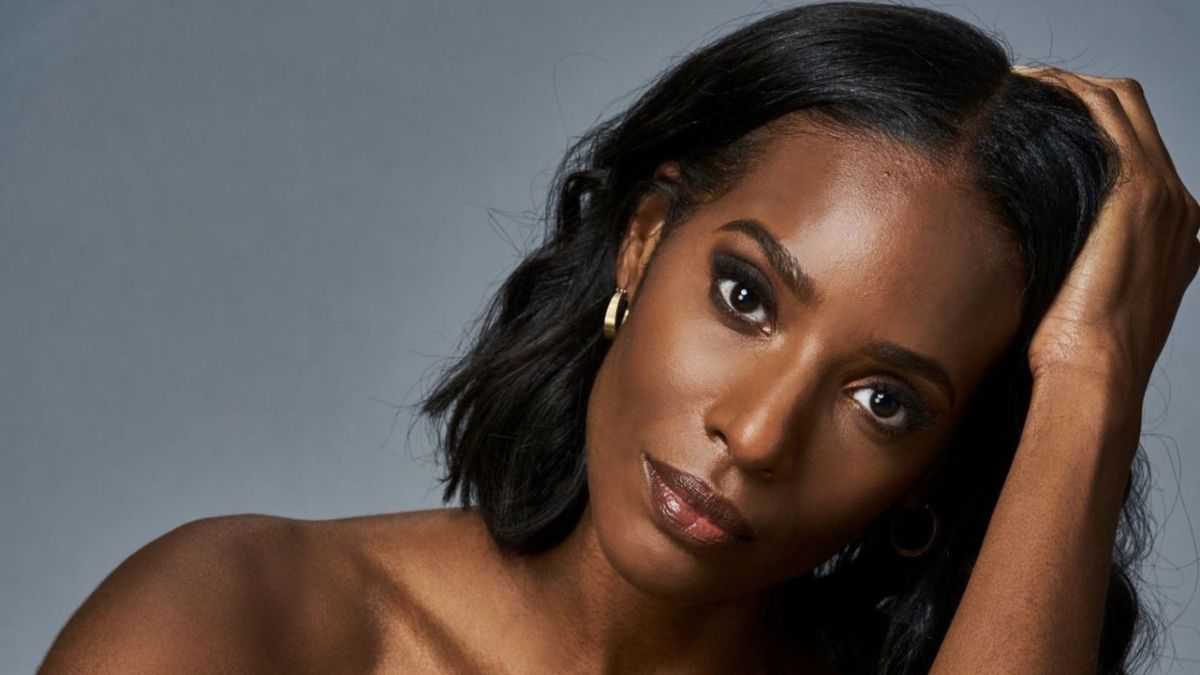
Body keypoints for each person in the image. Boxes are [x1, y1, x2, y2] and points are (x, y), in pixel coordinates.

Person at [38, 2, 1197, 673]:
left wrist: (1090, 383)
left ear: (939, 469)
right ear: (643, 245)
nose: (756, 434)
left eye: (884, 401)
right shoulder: (245, 621)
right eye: (746, 296)